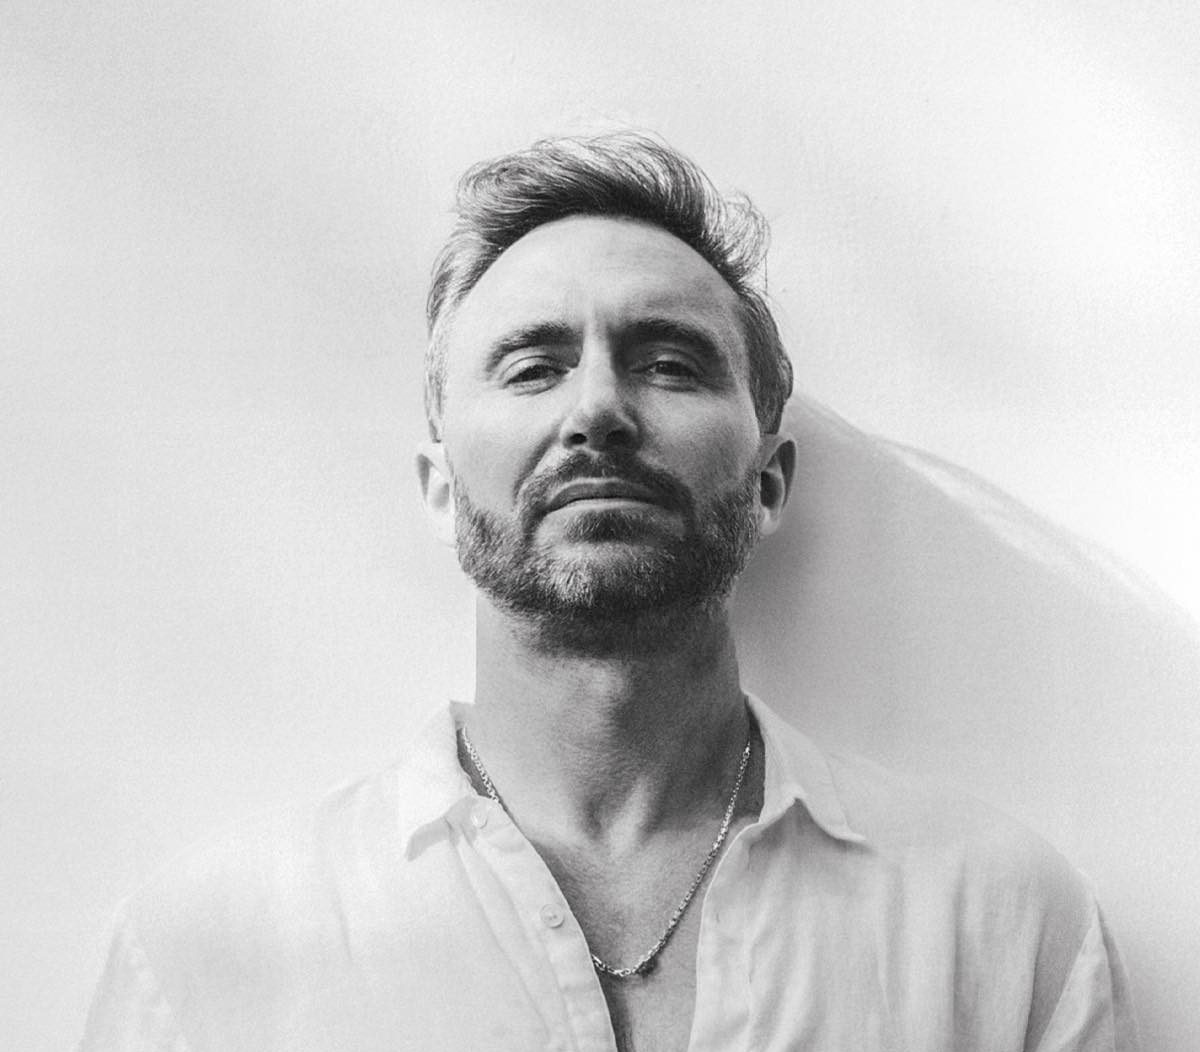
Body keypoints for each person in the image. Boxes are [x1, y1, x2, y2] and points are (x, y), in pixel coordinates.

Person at [81, 133, 1139, 1051]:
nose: (596, 409)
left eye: (668, 363)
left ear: (768, 483)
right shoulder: (209, 957)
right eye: (532, 366)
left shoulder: (997, 924)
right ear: (443, 490)